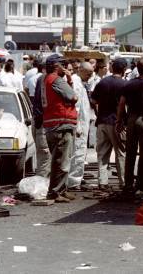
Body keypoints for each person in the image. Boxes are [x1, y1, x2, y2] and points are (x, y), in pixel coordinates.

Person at [41, 54, 78, 202]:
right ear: (56, 66)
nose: (66, 68)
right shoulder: (56, 80)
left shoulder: (45, 79)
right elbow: (73, 97)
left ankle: (60, 190)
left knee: (59, 160)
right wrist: (69, 80)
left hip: (52, 124)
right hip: (61, 124)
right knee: (62, 161)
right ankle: (56, 192)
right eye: (63, 65)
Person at [92, 58, 129, 190]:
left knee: (102, 154)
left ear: (113, 68)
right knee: (120, 153)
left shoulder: (103, 82)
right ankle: (124, 182)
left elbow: (93, 100)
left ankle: (102, 182)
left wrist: (98, 113)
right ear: (124, 70)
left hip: (102, 121)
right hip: (117, 123)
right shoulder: (125, 84)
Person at [117, 58, 143, 193]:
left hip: (131, 118)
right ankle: (141, 183)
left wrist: (119, 120)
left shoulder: (129, 84)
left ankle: (128, 183)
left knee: (130, 152)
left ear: (137, 68)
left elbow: (121, 104)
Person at [68, 62, 94, 191]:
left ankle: (77, 178)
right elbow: (76, 107)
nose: (90, 77)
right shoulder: (76, 83)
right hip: (79, 125)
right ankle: (74, 181)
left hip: (83, 123)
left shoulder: (81, 83)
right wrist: (77, 125)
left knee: (80, 153)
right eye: (88, 74)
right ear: (81, 70)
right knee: (77, 153)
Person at [32, 65, 50, 178]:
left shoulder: (42, 79)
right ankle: (42, 187)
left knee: (45, 157)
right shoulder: (45, 79)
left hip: (41, 123)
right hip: (43, 124)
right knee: (45, 156)